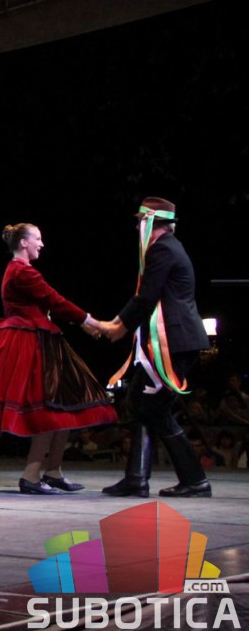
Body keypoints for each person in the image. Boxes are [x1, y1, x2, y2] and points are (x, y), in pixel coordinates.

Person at [0, 223, 115, 494]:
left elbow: (51, 303)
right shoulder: (21, 271)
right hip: (29, 343)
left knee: (63, 403)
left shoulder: (19, 270)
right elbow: (54, 300)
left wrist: (84, 322)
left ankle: (53, 471)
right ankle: (31, 475)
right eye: (38, 239)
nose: (41, 244)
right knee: (47, 407)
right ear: (23, 243)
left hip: (41, 340)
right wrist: (90, 321)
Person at [99, 197, 213, 498]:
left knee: (154, 408)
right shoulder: (170, 247)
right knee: (139, 401)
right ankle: (136, 479)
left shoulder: (162, 249)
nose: (137, 226)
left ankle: (195, 480)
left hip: (173, 342)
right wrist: (118, 322)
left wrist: (119, 327)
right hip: (173, 341)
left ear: (151, 223)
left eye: (140, 221)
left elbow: (148, 296)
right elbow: (147, 297)